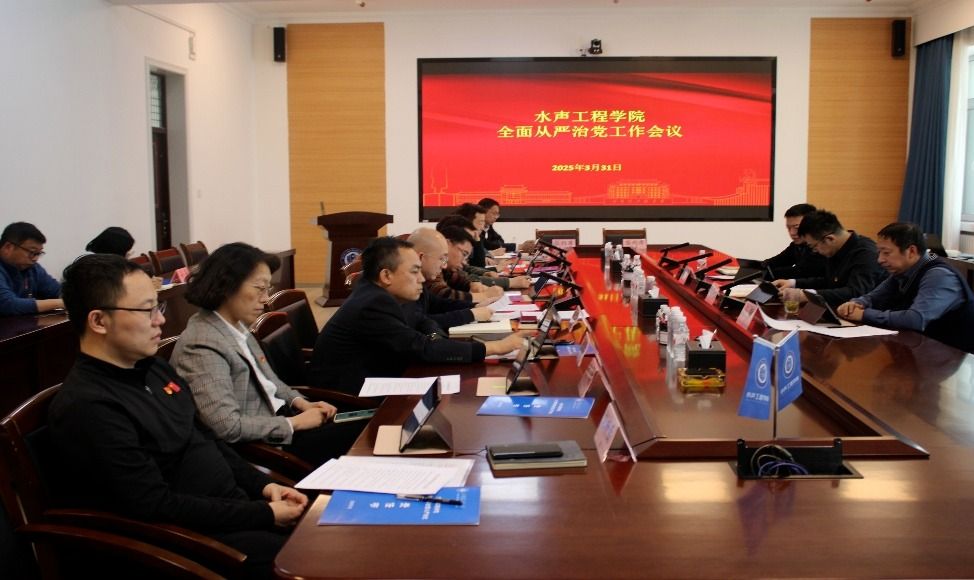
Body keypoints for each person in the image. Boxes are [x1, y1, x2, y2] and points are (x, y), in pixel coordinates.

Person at [49, 254, 306, 578]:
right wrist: (263, 514)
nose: (160, 320)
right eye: (147, 310)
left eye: (159, 307)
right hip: (192, 543)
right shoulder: (89, 406)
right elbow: (156, 505)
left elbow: (206, 439)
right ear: (99, 321)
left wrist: (265, 487)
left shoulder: (153, 368)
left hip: (234, 511)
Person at [171, 242, 358, 465]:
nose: (266, 298)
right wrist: (296, 423)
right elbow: (226, 426)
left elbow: (270, 381)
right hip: (268, 447)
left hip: (283, 420)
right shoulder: (202, 344)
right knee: (370, 433)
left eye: (267, 289)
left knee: (373, 423)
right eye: (259, 288)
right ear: (226, 286)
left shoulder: (235, 325)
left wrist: (301, 403)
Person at [311, 237, 526, 394]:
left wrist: (434, 339)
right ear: (386, 275)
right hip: (349, 401)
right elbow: (422, 348)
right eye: (414, 271)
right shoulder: (373, 303)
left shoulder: (385, 295)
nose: (422, 279)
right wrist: (496, 347)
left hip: (381, 380)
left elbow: (423, 321)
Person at [836, 222, 974, 353]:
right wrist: (856, 303)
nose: (880, 260)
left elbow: (915, 319)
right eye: (879, 253)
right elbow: (874, 297)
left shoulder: (939, 276)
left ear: (911, 251)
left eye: (886, 253)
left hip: (952, 354)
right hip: (921, 347)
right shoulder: (904, 270)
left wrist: (864, 315)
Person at [773, 209, 885, 308]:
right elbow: (828, 281)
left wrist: (807, 295)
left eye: (814, 246)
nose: (815, 251)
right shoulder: (835, 249)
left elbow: (855, 292)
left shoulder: (866, 253)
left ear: (830, 239)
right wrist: (793, 283)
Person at [406, 227, 493, 330]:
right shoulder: (404, 286)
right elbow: (421, 323)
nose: (444, 266)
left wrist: (474, 306)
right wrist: (471, 314)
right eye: (441, 258)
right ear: (421, 257)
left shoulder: (420, 282)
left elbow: (438, 304)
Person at [0, 221, 63, 315]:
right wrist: (61, 303)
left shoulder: (33, 268)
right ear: (8, 247)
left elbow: (57, 291)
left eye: (39, 253)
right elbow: (7, 304)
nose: (35, 259)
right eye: (32, 252)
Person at [763, 203, 826, 279]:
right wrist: (757, 267)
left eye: (797, 228)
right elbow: (777, 261)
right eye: (788, 228)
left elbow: (801, 271)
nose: (792, 233)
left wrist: (765, 273)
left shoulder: (822, 246)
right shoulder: (797, 245)